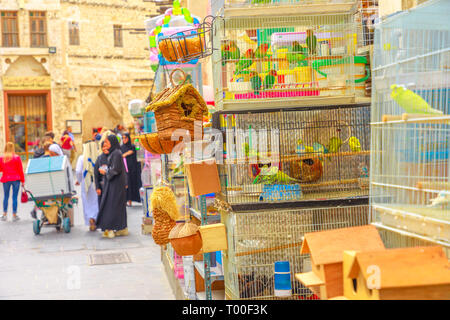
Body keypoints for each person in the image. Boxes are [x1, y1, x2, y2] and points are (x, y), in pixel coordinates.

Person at [95, 135, 128, 238]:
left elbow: (115, 169)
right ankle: (120, 228)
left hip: (116, 186)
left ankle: (111, 229)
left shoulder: (116, 153)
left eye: (107, 142)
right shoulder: (114, 153)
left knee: (111, 207)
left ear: (112, 142)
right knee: (115, 207)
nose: (106, 144)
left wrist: (105, 171)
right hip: (113, 184)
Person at [75, 141, 99, 231]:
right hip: (96, 183)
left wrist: (79, 180)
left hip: (86, 183)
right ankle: (95, 219)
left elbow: (78, 171)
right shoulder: (98, 157)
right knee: (95, 201)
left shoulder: (82, 158)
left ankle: (90, 220)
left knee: (87, 202)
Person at [0, 142, 25, 222]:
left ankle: (4, 214)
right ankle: (14, 215)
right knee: (14, 197)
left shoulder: (2, 158)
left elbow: (0, 169)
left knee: (6, 196)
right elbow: (20, 170)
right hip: (16, 179)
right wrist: (23, 180)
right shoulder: (17, 158)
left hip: (6, 179)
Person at [121, 133, 142, 207]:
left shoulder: (132, 146)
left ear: (128, 138)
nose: (124, 140)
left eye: (125, 138)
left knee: (133, 183)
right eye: (123, 138)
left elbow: (135, 151)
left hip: (133, 169)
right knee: (127, 184)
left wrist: (125, 154)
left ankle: (133, 199)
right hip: (125, 170)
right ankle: (128, 200)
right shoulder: (121, 147)